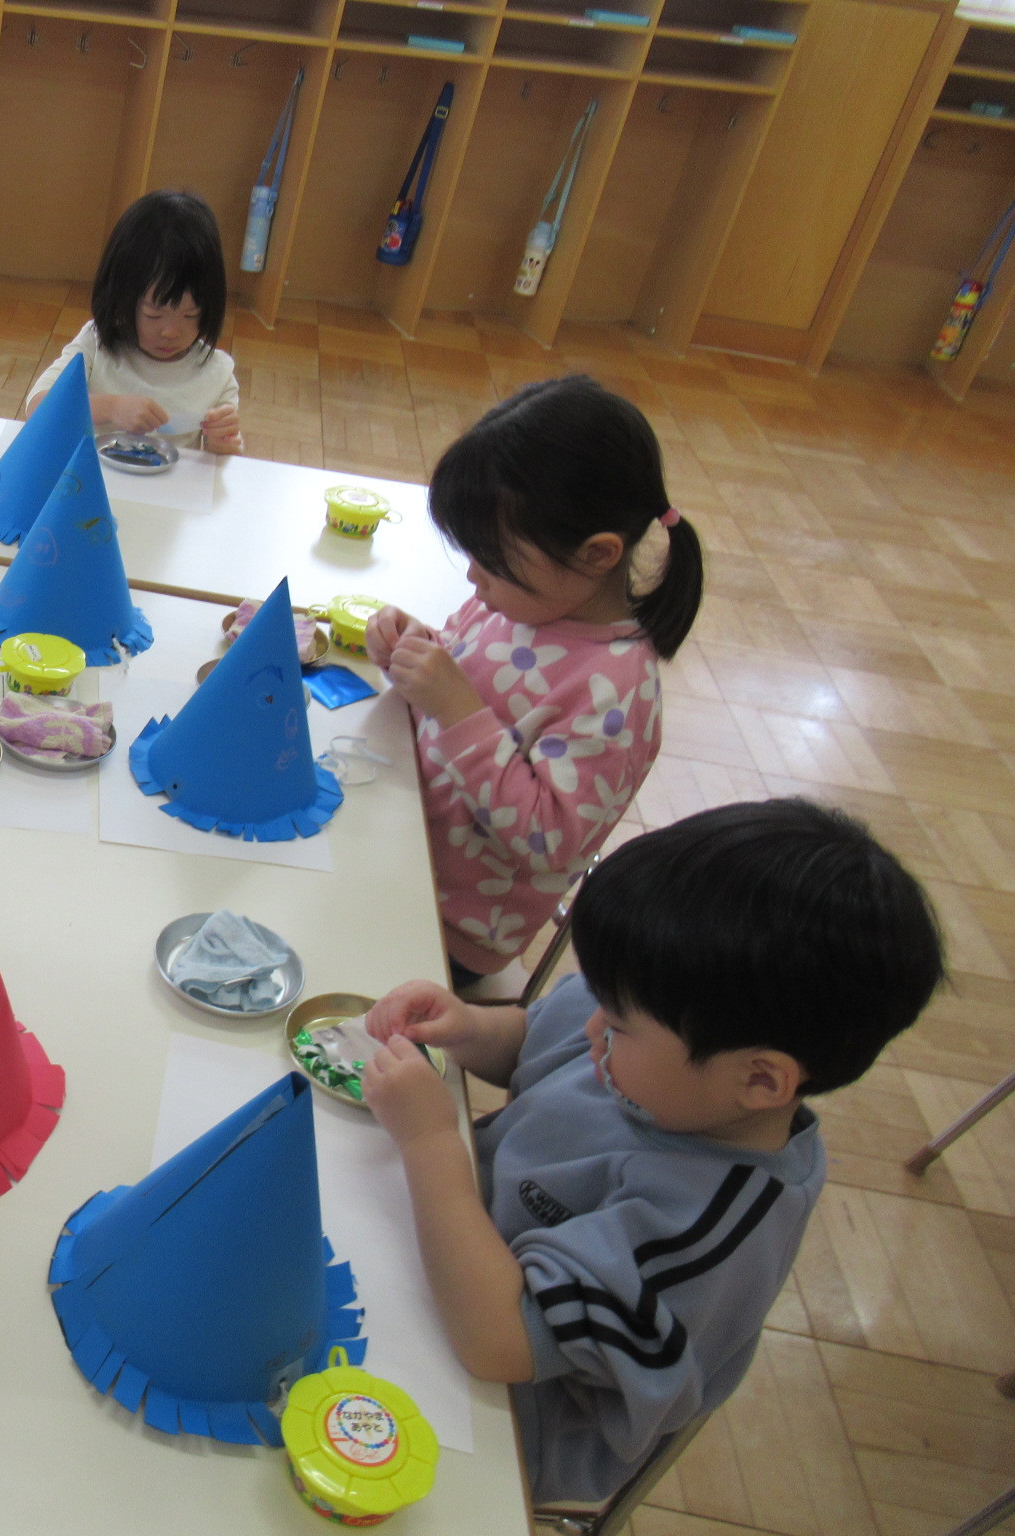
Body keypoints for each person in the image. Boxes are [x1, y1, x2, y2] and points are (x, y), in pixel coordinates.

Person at [361, 799, 945, 1506]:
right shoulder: (656, 1041)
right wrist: (468, 1029)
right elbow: (535, 1044)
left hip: (506, 1419)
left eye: (617, 1024)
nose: (591, 1028)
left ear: (761, 1080)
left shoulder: (706, 1222)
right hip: (445, 1254)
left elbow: (499, 1339)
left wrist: (429, 1143)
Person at [364, 375, 704, 991]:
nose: (474, 577)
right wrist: (413, 650)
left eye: (492, 561)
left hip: (448, 925)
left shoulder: (617, 692)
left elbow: (548, 840)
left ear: (598, 554)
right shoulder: (518, 601)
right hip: (398, 836)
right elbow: (459, 671)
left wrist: (456, 708)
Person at [24, 189, 244, 455]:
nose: (171, 332)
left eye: (191, 315)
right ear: (121, 297)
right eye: (153, 314)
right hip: (88, 478)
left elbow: (222, 463)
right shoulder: (96, 344)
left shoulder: (217, 373)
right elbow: (37, 407)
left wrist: (222, 443)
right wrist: (110, 408)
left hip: (168, 484)